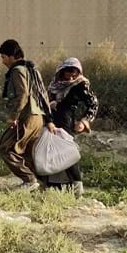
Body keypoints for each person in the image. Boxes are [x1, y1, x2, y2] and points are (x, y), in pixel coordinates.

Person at [0, 39, 51, 190]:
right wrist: (48, 118)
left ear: (12, 56)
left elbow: (23, 95)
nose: (3, 61)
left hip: (26, 116)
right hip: (38, 117)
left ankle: (29, 180)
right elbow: (43, 95)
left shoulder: (17, 71)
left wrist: (14, 116)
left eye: (3, 57)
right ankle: (42, 185)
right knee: (28, 153)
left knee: (5, 148)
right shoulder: (32, 70)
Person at [43, 57, 99, 194]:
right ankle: (55, 187)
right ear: (61, 72)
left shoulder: (80, 85)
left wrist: (84, 121)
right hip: (51, 122)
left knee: (67, 154)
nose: (71, 75)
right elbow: (46, 102)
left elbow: (93, 103)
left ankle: (77, 186)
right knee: (52, 154)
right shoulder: (55, 85)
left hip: (66, 123)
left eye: (74, 72)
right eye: (68, 72)